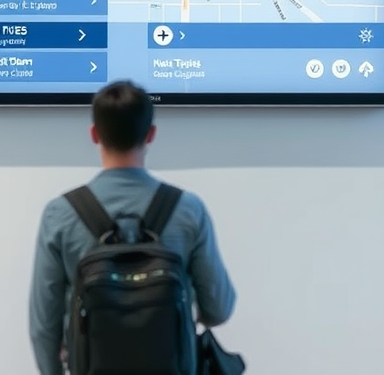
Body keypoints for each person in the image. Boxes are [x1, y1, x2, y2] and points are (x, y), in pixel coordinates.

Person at [28, 80, 237, 375]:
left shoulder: (61, 214)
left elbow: (44, 326)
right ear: (151, 134)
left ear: (94, 134)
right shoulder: (188, 209)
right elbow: (219, 309)